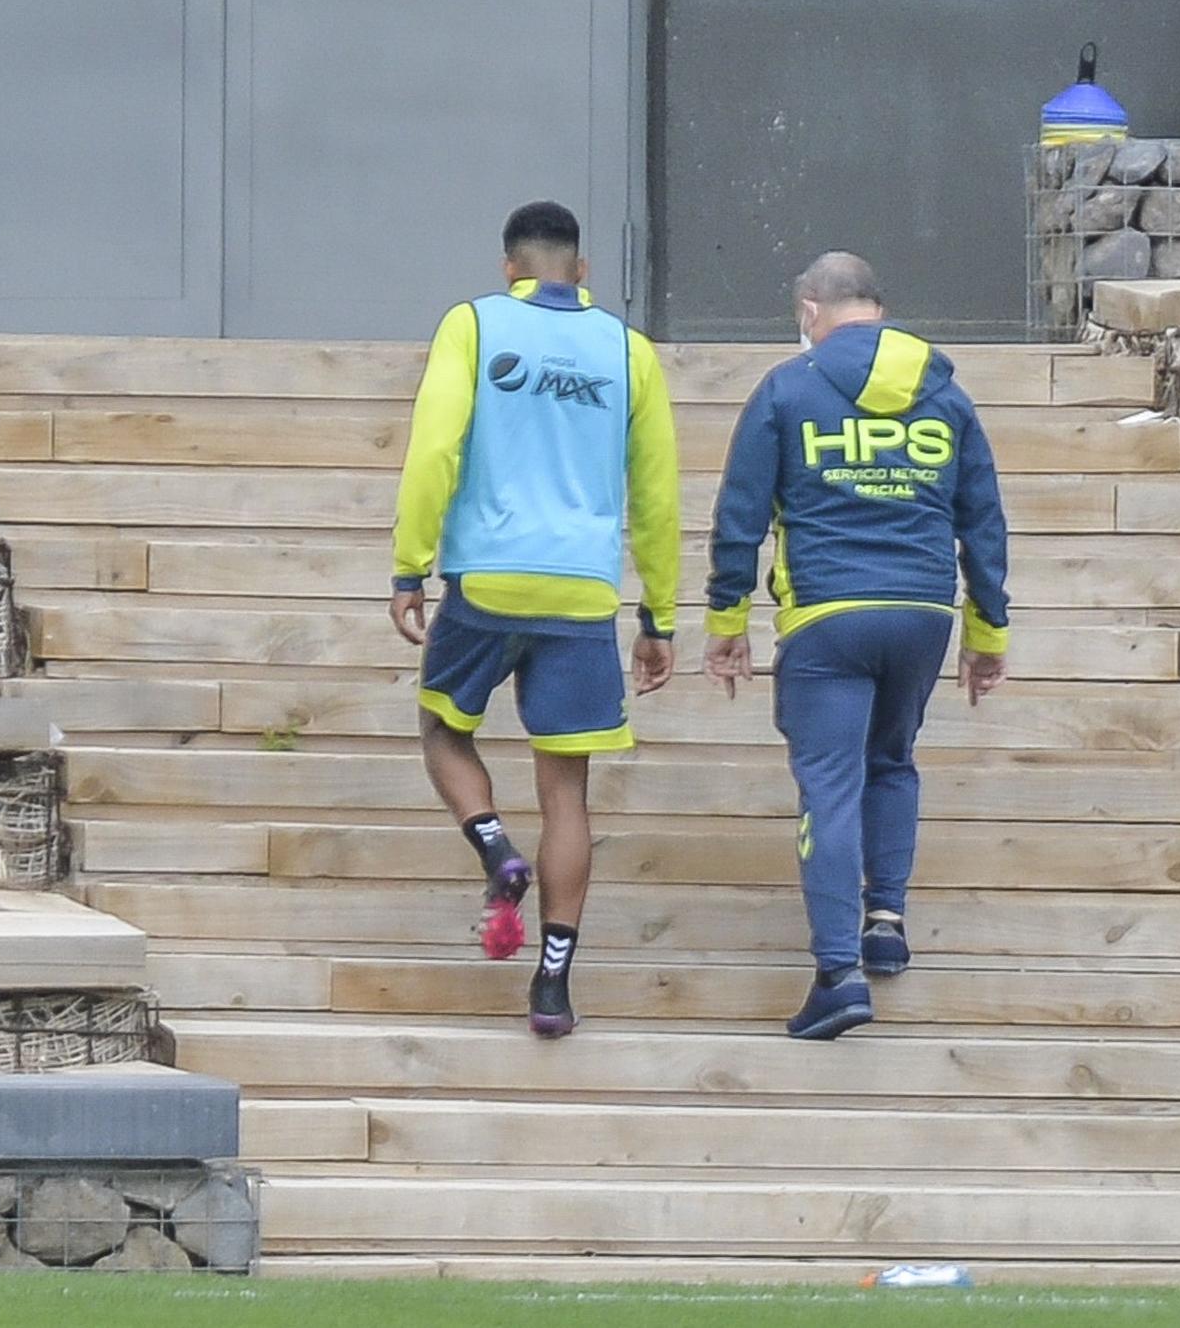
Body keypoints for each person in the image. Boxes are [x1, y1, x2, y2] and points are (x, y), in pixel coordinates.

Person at [389, 200, 680, 1039]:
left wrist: (411, 564)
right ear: (581, 271)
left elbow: (434, 448)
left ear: (508, 268)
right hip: (583, 594)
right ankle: (552, 987)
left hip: (488, 582)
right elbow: (657, 498)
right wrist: (659, 612)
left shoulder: (474, 326)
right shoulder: (630, 353)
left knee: (444, 732)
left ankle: (492, 851)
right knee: (568, 795)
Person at [703, 252, 1010, 1041]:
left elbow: (741, 512)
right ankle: (885, 920)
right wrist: (987, 633)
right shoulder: (947, 396)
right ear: (877, 307)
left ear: (812, 308)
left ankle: (838, 975)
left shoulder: (788, 388)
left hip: (827, 616)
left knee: (831, 785)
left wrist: (726, 623)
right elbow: (983, 521)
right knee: (893, 761)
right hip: (920, 611)